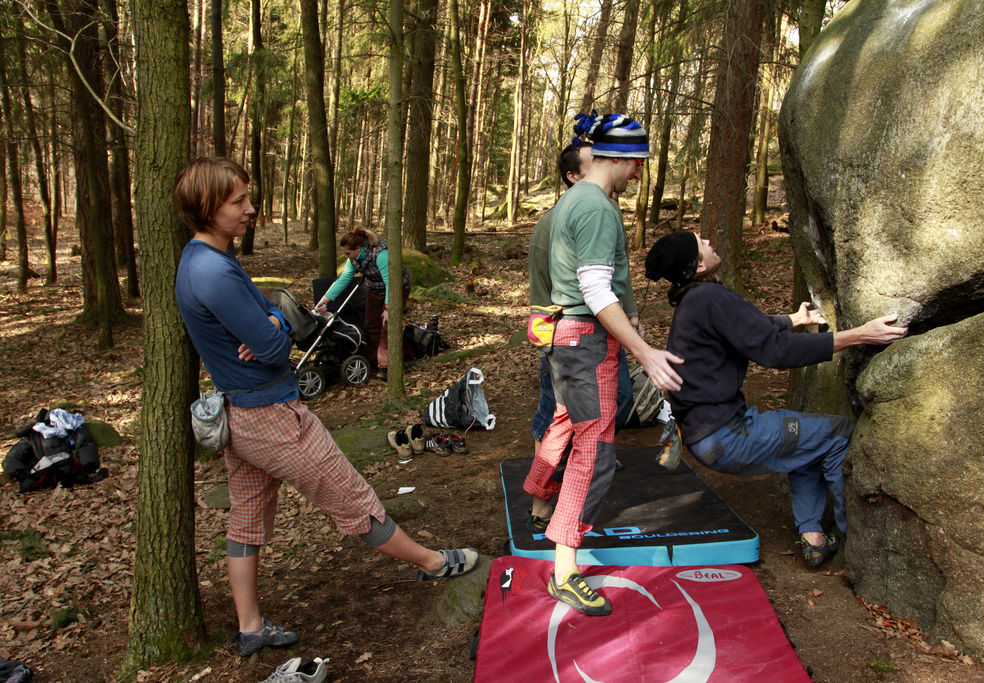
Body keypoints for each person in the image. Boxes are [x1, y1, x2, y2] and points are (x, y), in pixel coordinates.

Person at [173, 157, 477, 657]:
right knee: (352, 496)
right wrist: (274, 326)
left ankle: (250, 627)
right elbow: (278, 342)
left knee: (245, 518)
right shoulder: (212, 272)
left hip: (239, 414)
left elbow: (278, 304)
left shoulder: (202, 259)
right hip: (271, 416)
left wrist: (271, 318)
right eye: (238, 201)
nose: (251, 209)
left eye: (248, 197)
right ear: (207, 207)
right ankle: (433, 564)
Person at [643, 230, 908, 568]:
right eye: (701, 243)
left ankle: (813, 537)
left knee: (808, 444)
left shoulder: (695, 301)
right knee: (837, 433)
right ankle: (857, 543)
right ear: (697, 266)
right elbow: (775, 350)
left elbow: (747, 327)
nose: (709, 241)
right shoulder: (710, 297)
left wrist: (794, 320)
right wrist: (858, 335)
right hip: (727, 434)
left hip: (705, 437)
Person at [522, 113, 683, 617]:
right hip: (586, 342)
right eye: (639, 164)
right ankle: (565, 573)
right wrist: (644, 351)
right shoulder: (595, 207)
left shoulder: (577, 201)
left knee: (567, 422)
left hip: (572, 341)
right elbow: (593, 290)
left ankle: (538, 491)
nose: (639, 175)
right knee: (596, 456)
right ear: (623, 157)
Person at [528, 142, 636, 465]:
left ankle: (592, 454)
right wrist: (550, 339)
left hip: (608, 327)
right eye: (592, 163)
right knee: (555, 411)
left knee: (621, 397)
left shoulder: (607, 210)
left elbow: (619, 273)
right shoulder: (551, 222)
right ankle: (546, 490)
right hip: (566, 331)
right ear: (573, 176)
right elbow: (542, 285)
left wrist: (629, 314)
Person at [315, 228, 410, 381]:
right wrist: (326, 299)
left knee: (387, 325)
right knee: (371, 324)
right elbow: (344, 279)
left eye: (347, 253)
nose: (346, 256)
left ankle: (386, 366)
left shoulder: (380, 254)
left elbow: (391, 283)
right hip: (375, 289)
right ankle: (371, 360)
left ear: (358, 248)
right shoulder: (353, 259)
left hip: (397, 288)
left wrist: (388, 308)